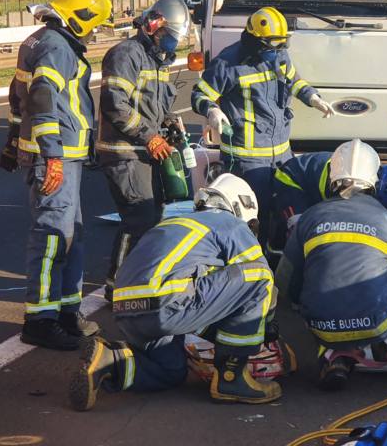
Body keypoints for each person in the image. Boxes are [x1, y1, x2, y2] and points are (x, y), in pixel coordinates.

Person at [68, 174, 279, 409]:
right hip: (166, 304)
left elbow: (213, 299)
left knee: (170, 369)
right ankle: (231, 378)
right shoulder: (231, 224)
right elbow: (261, 283)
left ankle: (109, 361)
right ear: (241, 206)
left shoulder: (177, 223)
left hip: (126, 309)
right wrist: (266, 331)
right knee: (258, 275)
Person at [0, 0, 114, 350]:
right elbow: (42, 96)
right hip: (56, 156)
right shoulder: (56, 47)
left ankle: (66, 311)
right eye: (94, 24)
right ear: (81, 18)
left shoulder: (40, 40)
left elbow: (17, 99)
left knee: (71, 236)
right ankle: (40, 320)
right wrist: (50, 155)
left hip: (64, 154)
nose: (95, 32)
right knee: (52, 238)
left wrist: (12, 141)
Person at [283, 139, 387, 389]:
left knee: (323, 281)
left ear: (331, 178)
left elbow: (287, 279)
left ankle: (333, 355)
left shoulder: (311, 217)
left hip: (321, 326)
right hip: (379, 321)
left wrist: (305, 305)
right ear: (375, 181)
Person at [190, 7, 333, 238]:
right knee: (254, 217)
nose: (277, 50)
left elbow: (293, 80)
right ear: (255, 41)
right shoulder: (228, 63)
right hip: (248, 159)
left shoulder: (280, 54)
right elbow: (199, 95)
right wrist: (213, 111)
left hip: (282, 153)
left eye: (281, 44)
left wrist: (311, 97)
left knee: (286, 210)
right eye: (272, 45)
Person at [97, 0, 192, 299]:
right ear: (154, 26)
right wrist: (149, 136)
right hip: (124, 151)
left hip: (146, 151)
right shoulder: (125, 55)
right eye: (169, 38)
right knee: (138, 219)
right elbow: (116, 105)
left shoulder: (157, 61)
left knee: (154, 218)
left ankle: (140, 279)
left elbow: (152, 105)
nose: (171, 46)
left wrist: (168, 122)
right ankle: (119, 288)